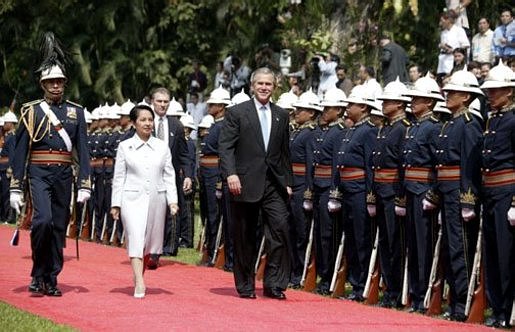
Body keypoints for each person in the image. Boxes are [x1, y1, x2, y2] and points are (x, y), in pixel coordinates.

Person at [9, 32, 91, 297]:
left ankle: (51, 277)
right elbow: (20, 152)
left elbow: (84, 151)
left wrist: (85, 183)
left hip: (64, 173)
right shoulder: (31, 111)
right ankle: (37, 273)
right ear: (42, 84)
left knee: (58, 226)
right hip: (38, 172)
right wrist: (15, 187)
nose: (56, 86)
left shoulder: (76, 112)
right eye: (50, 82)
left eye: (59, 81)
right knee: (42, 221)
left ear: (64, 83)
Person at [219, 67, 293, 300]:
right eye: (260, 83)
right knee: (245, 236)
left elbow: (284, 153)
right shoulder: (237, 113)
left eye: (268, 84)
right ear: (252, 86)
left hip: (274, 184)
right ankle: (246, 285)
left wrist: (288, 181)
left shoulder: (282, 115)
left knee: (280, 230)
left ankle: (274, 284)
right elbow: (226, 147)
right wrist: (230, 174)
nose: (264, 87)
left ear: (274, 87)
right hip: (244, 182)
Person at [423, 68, 483, 322]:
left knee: (461, 249)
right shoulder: (451, 123)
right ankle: (453, 300)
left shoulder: (469, 123)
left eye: (453, 92)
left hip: (459, 193)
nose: (447, 96)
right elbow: (440, 165)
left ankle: (462, 303)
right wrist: (435, 193)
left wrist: (468, 198)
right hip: (446, 191)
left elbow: (470, 165)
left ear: (466, 97)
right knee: (448, 247)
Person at [111, 105, 178, 298]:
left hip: (157, 199)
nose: (148, 123)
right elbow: (119, 177)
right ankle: (140, 282)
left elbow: (169, 175)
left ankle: (138, 274)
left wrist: (172, 200)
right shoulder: (125, 147)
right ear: (134, 123)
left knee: (150, 242)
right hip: (131, 199)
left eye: (150, 119)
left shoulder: (161, 146)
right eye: (143, 120)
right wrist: (116, 203)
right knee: (136, 236)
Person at [402, 74, 444, 313]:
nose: (413, 102)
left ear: (429, 102)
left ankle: (424, 295)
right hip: (410, 190)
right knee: (413, 246)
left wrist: (432, 194)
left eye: (418, 98)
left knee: (424, 246)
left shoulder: (433, 128)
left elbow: (438, 164)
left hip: (423, 191)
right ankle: (415, 294)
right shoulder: (415, 127)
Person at [332, 84, 379, 301]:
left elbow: (370, 166)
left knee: (361, 239)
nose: (348, 107)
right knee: (350, 238)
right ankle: (354, 282)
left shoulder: (369, 130)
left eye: (351, 104)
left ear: (363, 107)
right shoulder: (352, 129)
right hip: (348, 190)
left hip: (360, 191)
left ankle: (362, 286)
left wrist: (370, 196)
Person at [479, 61, 515, 329]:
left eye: (495, 91)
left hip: (507, 193)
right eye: (489, 91)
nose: (490, 95)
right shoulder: (492, 119)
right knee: (491, 254)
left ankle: (506, 308)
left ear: (509, 92)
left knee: (505, 255)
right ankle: (496, 308)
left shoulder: (513, 120)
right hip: (490, 191)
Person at [372, 78, 412, 308]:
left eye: (388, 101)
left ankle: (395, 292)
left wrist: (400, 196)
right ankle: (389, 290)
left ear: (398, 104)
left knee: (395, 244)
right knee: (386, 243)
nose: (384, 105)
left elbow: (402, 166)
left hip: (393, 191)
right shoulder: (386, 127)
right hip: (380, 190)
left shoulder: (403, 128)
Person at [150, 87, 192, 265]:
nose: (162, 105)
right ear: (153, 102)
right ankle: (150, 247)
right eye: (159, 101)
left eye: (165, 102)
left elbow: (184, 154)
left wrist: (188, 175)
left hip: (170, 175)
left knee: (170, 211)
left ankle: (168, 247)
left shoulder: (176, 125)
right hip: (148, 175)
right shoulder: (145, 121)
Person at [437, 11, 470, 81]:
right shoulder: (443, 33)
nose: (441, 23)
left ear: (448, 20)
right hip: (442, 61)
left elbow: (466, 45)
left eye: (442, 20)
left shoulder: (459, 30)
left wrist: (453, 50)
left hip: (453, 60)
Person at [0, 111, 16, 224]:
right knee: (3, 193)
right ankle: (4, 216)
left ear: (10, 123)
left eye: (6, 122)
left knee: (7, 193)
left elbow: (12, 154)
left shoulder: (12, 137)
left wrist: (10, 168)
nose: (4, 124)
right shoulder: (8, 136)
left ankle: (9, 217)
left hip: (6, 168)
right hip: (2, 167)